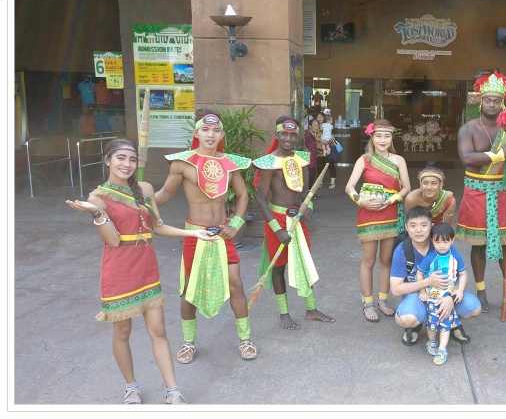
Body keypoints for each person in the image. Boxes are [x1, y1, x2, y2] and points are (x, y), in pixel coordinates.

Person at [66, 138, 218, 404]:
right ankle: (131, 387)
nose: (127, 164)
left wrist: (193, 232)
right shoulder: (97, 198)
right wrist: (96, 214)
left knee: (158, 330)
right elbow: (112, 241)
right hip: (119, 272)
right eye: (121, 158)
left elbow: (156, 226)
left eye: (132, 159)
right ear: (108, 160)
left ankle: (173, 392)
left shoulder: (145, 189)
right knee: (122, 332)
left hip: (146, 268)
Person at [155, 109, 258, 364]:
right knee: (189, 289)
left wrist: (235, 222)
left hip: (223, 233)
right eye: (205, 130)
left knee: (236, 284)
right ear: (196, 133)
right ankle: (188, 343)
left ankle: (245, 339)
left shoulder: (230, 163)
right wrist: (139, 199)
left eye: (215, 130)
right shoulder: (183, 163)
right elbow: (164, 196)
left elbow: (243, 195)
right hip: (195, 234)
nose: (210, 135)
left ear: (221, 134)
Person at [455, 69, 506, 316]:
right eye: (487, 99)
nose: (491, 104)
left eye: (496, 100)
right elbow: (467, 159)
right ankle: (481, 291)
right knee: (479, 245)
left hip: (500, 192)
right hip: (476, 192)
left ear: (502, 102)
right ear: (480, 100)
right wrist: (501, 154)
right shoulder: (468, 128)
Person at [253, 116, 335, 329]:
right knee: (279, 267)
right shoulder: (268, 162)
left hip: (298, 220)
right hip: (277, 220)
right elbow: (260, 199)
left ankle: (311, 309)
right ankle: (284, 313)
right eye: (284, 134)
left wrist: (308, 207)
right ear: (277, 135)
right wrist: (276, 229)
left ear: (297, 136)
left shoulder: (302, 159)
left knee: (304, 263)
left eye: (292, 135)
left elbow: (305, 193)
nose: (288, 138)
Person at [345, 119, 411, 322]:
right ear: (372, 137)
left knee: (386, 260)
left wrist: (391, 200)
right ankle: (368, 303)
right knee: (368, 261)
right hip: (368, 214)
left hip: (390, 212)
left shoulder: (399, 160)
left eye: (387, 136)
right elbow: (349, 187)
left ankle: (383, 300)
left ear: (392, 138)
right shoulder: (364, 159)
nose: (382, 140)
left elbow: (406, 187)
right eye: (378, 136)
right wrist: (360, 201)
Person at [390, 207, 479, 346]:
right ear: (406, 227)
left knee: (474, 308)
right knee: (406, 319)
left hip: (445, 292)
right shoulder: (402, 251)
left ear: (431, 226)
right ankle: (415, 324)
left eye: (423, 225)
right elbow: (395, 290)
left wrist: (450, 296)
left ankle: (451, 321)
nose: (418, 230)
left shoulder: (441, 243)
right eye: (413, 226)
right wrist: (428, 282)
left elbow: (460, 272)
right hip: (417, 295)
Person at [416, 223, 468, 365]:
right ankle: (431, 341)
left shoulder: (456, 256)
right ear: (432, 240)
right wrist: (422, 291)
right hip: (432, 297)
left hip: (448, 296)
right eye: (437, 241)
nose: (442, 245)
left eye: (445, 241)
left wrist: (460, 290)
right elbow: (419, 273)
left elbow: (463, 274)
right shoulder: (430, 257)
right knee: (432, 322)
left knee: (445, 322)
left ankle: (442, 348)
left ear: (453, 240)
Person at [314, 111, 338, 190]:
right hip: (319, 151)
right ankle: (320, 183)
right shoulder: (315, 127)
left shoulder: (328, 126)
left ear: (324, 118)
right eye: (318, 117)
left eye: (321, 117)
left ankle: (332, 183)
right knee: (320, 167)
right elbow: (313, 137)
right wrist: (321, 140)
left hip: (329, 149)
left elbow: (333, 137)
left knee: (331, 165)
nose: (319, 118)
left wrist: (327, 141)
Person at [303, 116, 320, 200]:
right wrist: (307, 151)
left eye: (317, 125)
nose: (316, 127)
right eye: (314, 125)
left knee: (312, 176)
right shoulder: (307, 134)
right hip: (309, 159)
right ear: (310, 126)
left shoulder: (314, 134)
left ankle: (311, 193)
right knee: (310, 176)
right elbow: (303, 142)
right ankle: (308, 194)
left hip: (313, 158)